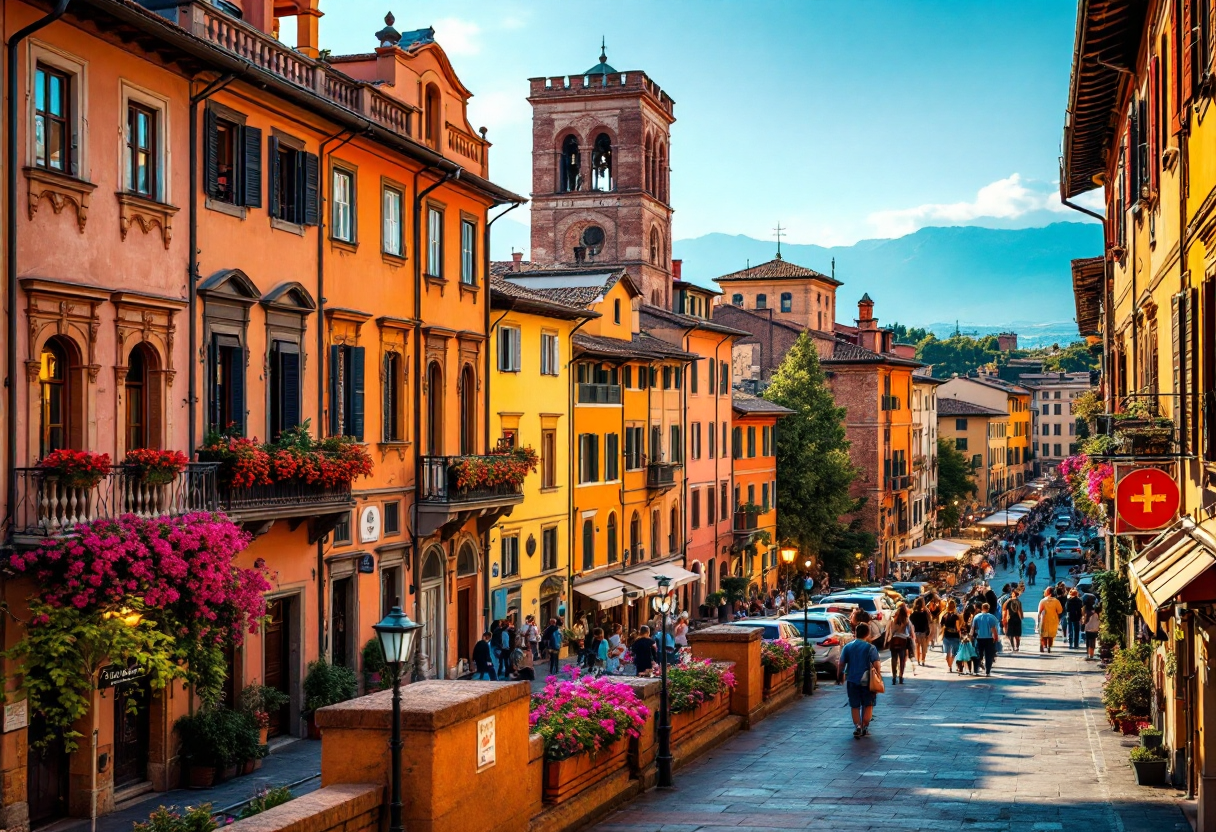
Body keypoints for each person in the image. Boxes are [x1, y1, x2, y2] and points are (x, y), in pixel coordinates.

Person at [836, 622, 881, 739]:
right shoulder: (871, 648)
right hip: (867, 681)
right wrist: (878, 677)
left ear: (855, 633)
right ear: (867, 634)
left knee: (854, 704)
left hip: (852, 679)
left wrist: (839, 676)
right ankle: (865, 726)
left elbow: (841, 664)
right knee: (868, 704)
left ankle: (858, 726)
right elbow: (877, 665)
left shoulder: (848, 647)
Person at [971, 603, 1000, 676]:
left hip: (979, 638)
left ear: (982, 608)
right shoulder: (991, 617)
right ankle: (987, 672)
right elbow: (993, 629)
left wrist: (971, 637)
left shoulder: (976, 617)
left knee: (978, 655)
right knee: (989, 655)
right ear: (988, 608)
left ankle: (976, 670)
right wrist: (996, 638)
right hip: (989, 639)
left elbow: (973, 628)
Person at [888, 602, 913, 684]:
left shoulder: (893, 620)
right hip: (903, 640)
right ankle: (901, 676)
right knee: (902, 659)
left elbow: (891, 631)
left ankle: (894, 677)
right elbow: (910, 632)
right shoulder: (906, 620)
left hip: (894, 639)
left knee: (894, 658)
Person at [1037, 587, 1064, 653]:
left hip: (1044, 619)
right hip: (1053, 619)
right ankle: (1049, 646)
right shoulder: (1056, 601)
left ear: (1047, 592)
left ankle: (1044, 645)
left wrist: (1038, 621)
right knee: (1051, 634)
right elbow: (1060, 611)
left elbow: (1039, 612)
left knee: (1043, 634)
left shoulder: (1043, 601)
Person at [940, 599, 963, 673]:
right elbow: (958, 628)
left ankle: (949, 666)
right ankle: (951, 664)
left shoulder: (944, 615)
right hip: (954, 635)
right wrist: (960, 635)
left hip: (946, 635)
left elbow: (941, 625)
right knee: (954, 652)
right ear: (954, 607)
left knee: (947, 652)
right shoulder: (956, 616)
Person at [910, 598, 931, 666]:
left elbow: (910, 623)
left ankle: (918, 660)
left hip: (916, 633)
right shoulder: (924, 613)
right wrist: (928, 631)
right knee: (923, 647)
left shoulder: (913, 613)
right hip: (923, 632)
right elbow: (928, 622)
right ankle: (923, 660)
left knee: (917, 647)